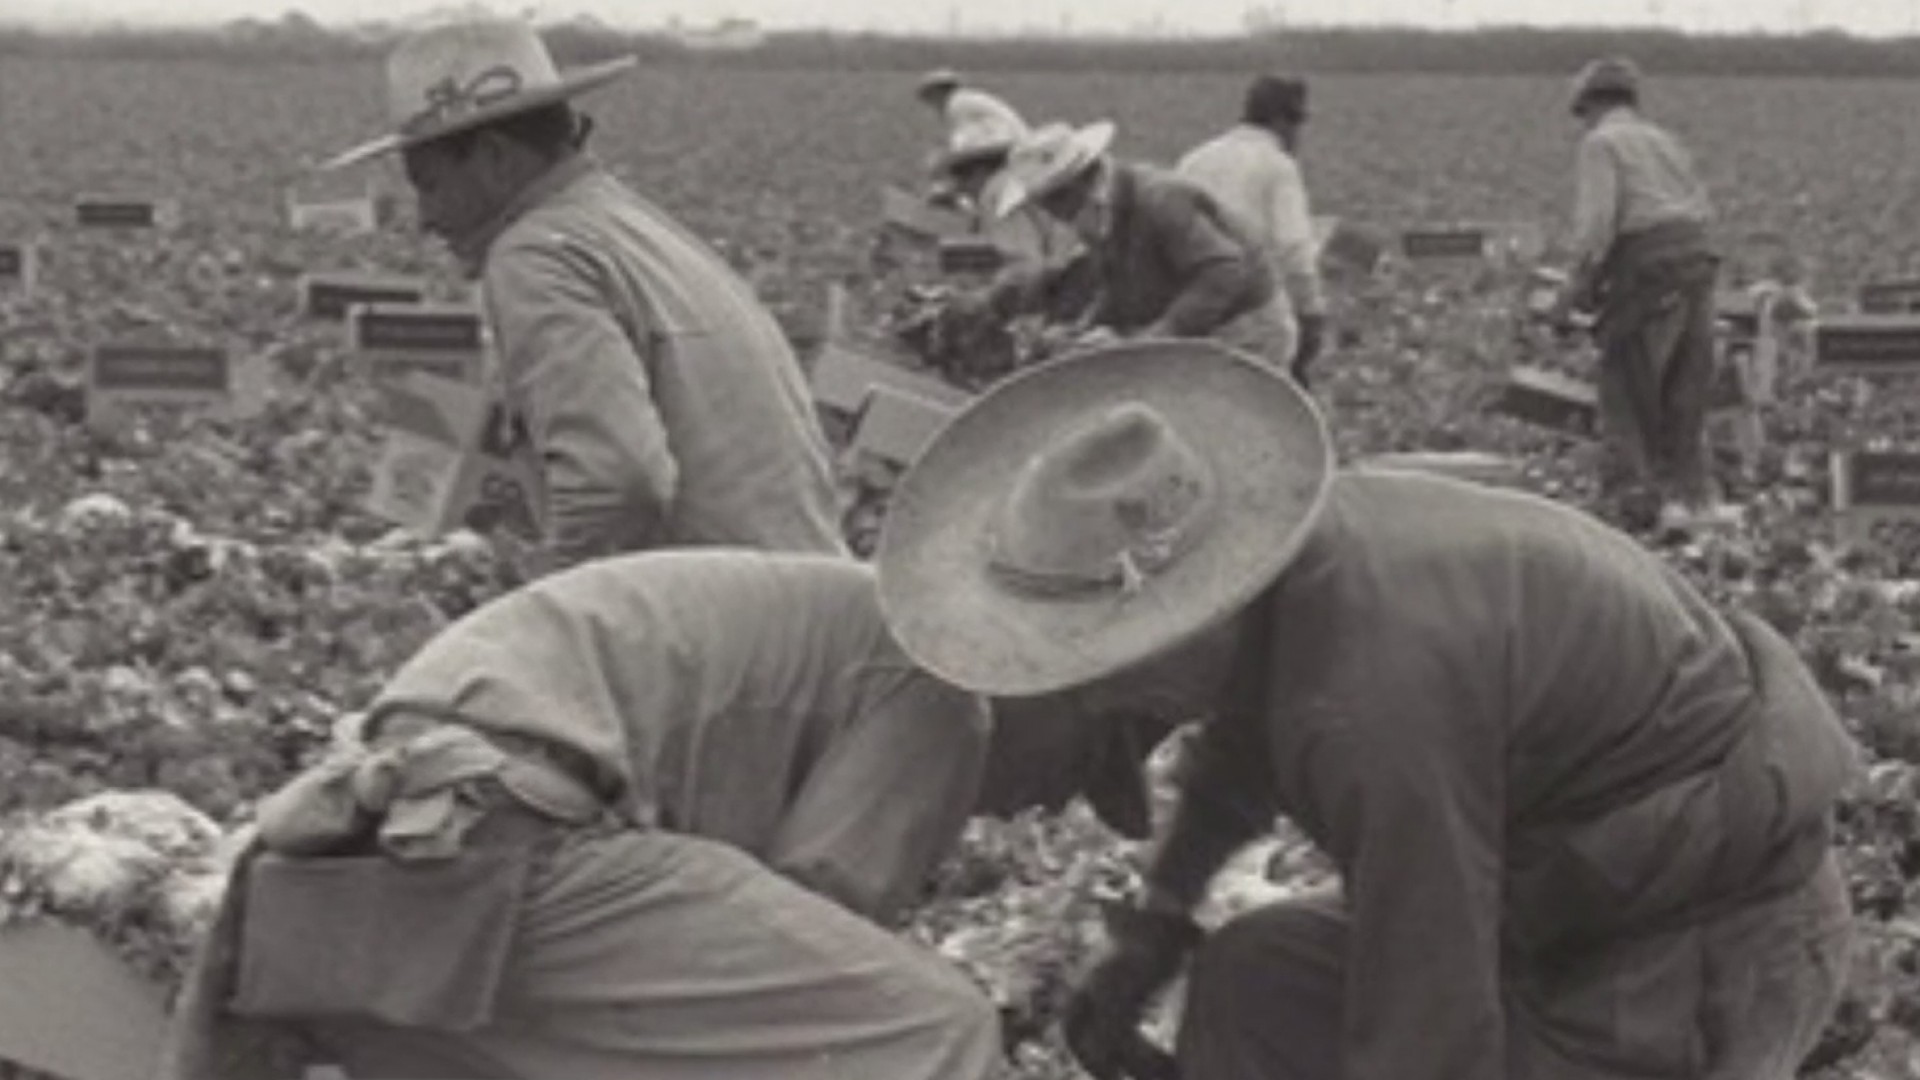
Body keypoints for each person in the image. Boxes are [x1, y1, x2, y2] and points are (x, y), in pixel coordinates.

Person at [874, 339, 1861, 1080]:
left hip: (1705, 949)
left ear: (1194, 617)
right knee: (1258, 972)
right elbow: (1229, 776)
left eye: (1100, 664)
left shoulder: (1371, 695)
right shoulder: (1303, 593)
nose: (1100, 694)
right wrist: (1150, 938)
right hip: (1563, 907)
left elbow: (1430, 1020)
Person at [162, 550, 1006, 1080]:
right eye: (1085, 768)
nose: (1041, 802)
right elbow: (821, 919)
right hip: (508, 842)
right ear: (1075, 704)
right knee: (931, 1032)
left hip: (378, 854)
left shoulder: (828, 610)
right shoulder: (944, 688)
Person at [320, 19, 846, 568]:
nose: (427, 217)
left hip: (724, 621)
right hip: (798, 603)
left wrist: (546, 602)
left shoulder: (534, 255)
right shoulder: (622, 223)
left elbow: (616, 481)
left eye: (428, 184)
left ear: (496, 159)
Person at [1546, 56, 1721, 529]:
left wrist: (1573, 292)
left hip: (1648, 268)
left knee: (1627, 386)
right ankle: (1691, 500)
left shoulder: (1601, 144)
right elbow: (1700, 210)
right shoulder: (1665, 141)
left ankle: (1636, 505)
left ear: (1589, 104)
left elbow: (1599, 226)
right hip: (1698, 264)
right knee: (1685, 390)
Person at [966, 121, 1291, 369]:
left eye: (1051, 202)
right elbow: (1117, 280)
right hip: (1199, 323)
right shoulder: (1103, 215)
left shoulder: (1160, 200)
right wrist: (1086, 329)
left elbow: (1224, 271)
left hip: (1246, 325)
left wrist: (1155, 338)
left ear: (1078, 184)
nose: (1052, 214)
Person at [1178, 74, 1329, 387]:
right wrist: (1311, 313)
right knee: (1269, 411)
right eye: (1297, 124)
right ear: (1280, 122)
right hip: (1256, 314)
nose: (1298, 136)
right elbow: (1293, 248)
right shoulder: (1277, 166)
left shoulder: (1194, 160)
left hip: (1195, 311)